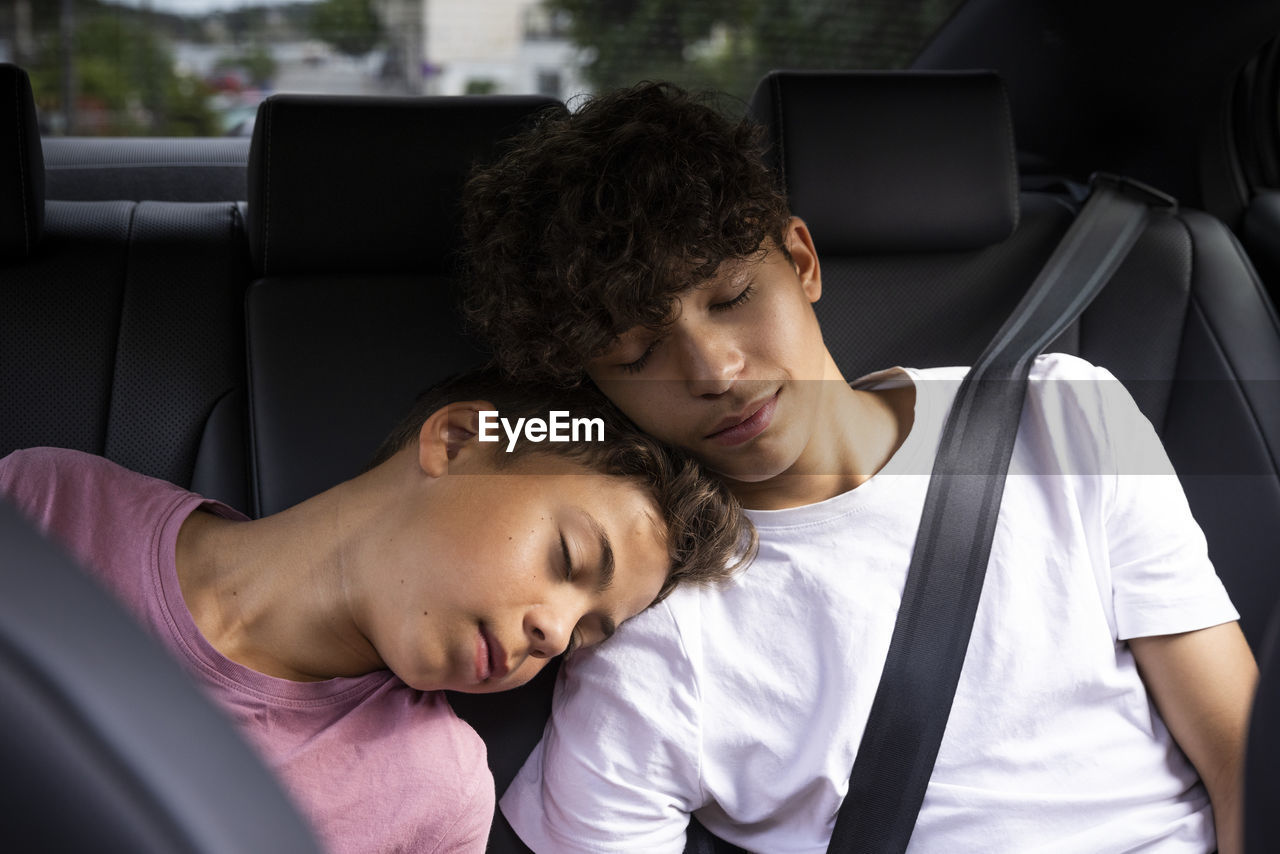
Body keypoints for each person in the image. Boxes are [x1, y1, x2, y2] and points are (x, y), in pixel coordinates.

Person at [460, 82, 1260, 853]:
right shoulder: (648, 628)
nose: (713, 370)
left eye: (733, 296)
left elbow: (1240, 754)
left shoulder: (1064, 416)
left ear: (801, 261)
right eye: (637, 354)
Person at [0, 367, 753, 854]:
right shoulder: (46, 505)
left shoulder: (437, 793)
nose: (554, 632)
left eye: (585, 636)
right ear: (458, 441)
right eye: (568, 559)